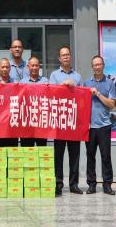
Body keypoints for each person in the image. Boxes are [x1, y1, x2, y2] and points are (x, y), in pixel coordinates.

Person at [49, 45, 83, 197]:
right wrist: (62, 86)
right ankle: (58, 184)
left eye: (68, 54)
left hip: (74, 121)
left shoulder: (78, 76)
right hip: (59, 121)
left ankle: (74, 184)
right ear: (59, 58)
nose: (66, 57)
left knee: (74, 154)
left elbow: (83, 98)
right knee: (59, 155)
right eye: (63, 55)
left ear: (70, 56)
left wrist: (74, 87)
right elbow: (50, 93)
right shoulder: (54, 75)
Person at [84, 55, 116, 196]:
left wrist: (97, 94)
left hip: (104, 126)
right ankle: (91, 184)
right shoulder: (86, 83)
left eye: (99, 64)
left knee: (106, 156)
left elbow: (112, 104)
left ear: (103, 65)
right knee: (90, 156)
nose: (97, 67)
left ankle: (107, 184)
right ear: (92, 67)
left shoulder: (110, 83)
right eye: (95, 65)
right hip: (90, 127)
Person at [20, 56, 49, 147]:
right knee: (27, 150)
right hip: (27, 123)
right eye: (32, 65)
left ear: (39, 67)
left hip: (41, 122)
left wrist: (48, 88)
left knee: (42, 149)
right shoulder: (22, 82)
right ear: (28, 67)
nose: (34, 68)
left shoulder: (45, 81)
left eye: (36, 65)